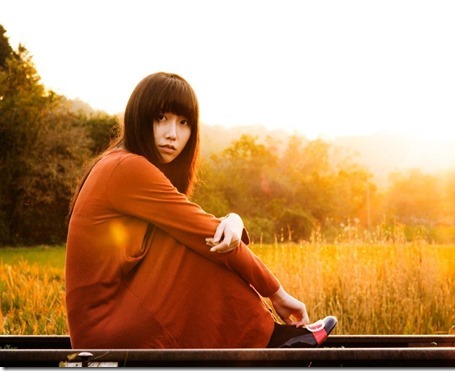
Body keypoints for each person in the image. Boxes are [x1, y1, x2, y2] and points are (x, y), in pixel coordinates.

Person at [65, 71, 337, 349]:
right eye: (161, 118)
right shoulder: (127, 168)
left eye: (184, 123)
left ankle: (266, 337)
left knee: (191, 240)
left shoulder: (119, 165)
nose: (172, 134)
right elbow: (205, 234)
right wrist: (276, 293)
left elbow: (200, 227)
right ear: (138, 116)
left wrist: (234, 220)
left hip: (109, 321)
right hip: (106, 329)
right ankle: (268, 339)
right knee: (196, 245)